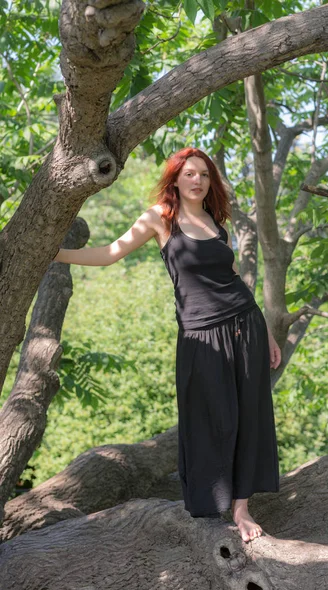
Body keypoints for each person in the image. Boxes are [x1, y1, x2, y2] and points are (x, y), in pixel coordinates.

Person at [54, 147, 281, 543]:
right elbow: (110, 254)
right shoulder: (161, 217)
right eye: (190, 173)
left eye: (205, 175)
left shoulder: (215, 221)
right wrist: (54, 254)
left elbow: (234, 277)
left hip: (246, 327)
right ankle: (211, 504)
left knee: (249, 416)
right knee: (212, 418)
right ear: (175, 178)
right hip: (199, 335)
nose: (198, 180)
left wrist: (270, 332)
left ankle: (242, 509)